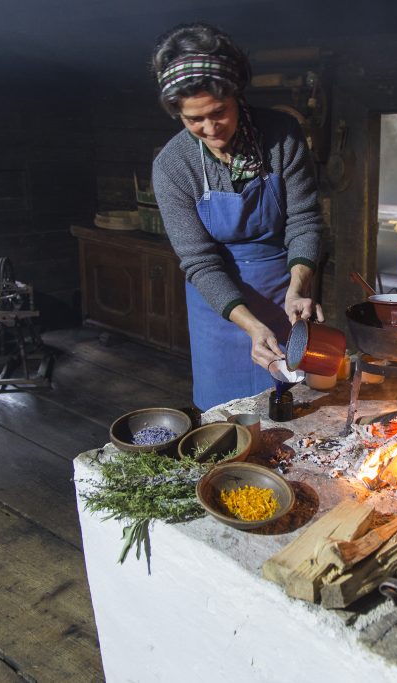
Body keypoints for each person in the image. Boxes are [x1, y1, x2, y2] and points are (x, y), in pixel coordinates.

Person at [151, 23, 324, 411]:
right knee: (223, 415)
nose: (211, 130)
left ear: (236, 94)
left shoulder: (282, 136)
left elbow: (304, 220)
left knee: (292, 406)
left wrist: (299, 284)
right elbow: (199, 260)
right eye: (194, 120)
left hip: (284, 294)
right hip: (219, 305)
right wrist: (249, 324)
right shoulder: (173, 166)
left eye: (219, 113)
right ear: (177, 113)